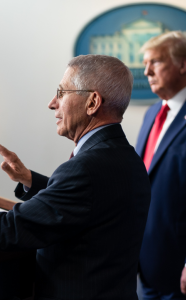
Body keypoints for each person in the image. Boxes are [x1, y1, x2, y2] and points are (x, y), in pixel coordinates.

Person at [0, 54, 151, 300]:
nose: (52, 103)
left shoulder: (87, 169)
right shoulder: (123, 157)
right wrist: (30, 179)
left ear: (92, 102)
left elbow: (12, 230)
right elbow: (83, 206)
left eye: (61, 93)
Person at [136, 31, 186, 300]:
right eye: (145, 64)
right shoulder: (153, 112)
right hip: (145, 263)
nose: (147, 71)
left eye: (156, 62)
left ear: (183, 64)